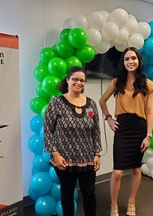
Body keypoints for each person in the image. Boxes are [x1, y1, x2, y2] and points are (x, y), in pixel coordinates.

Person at [99, 47, 153, 216]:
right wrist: (108, 117)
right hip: (123, 129)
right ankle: (114, 205)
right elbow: (102, 101)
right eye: (126, 59)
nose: (130, 62)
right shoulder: (117, 82)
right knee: (117, 172)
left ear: (139, 61)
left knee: (136, 170)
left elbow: (150, 111)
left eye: (133, 58)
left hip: (139, 128)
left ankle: (132, 201)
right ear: (123, 63)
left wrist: (148, 135)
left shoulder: (148, 84)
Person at [44, 66, 102, 216]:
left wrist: (97, 154)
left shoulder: (91, 104)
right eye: (75, 79)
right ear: (68, 80)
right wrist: (55, 155)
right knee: (67, 195)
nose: (79, 82)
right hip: (64, 160)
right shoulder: (56, 102)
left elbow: (96, 130)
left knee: (89, 194)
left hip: (87, 159)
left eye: (82, 80)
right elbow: (47, 129)